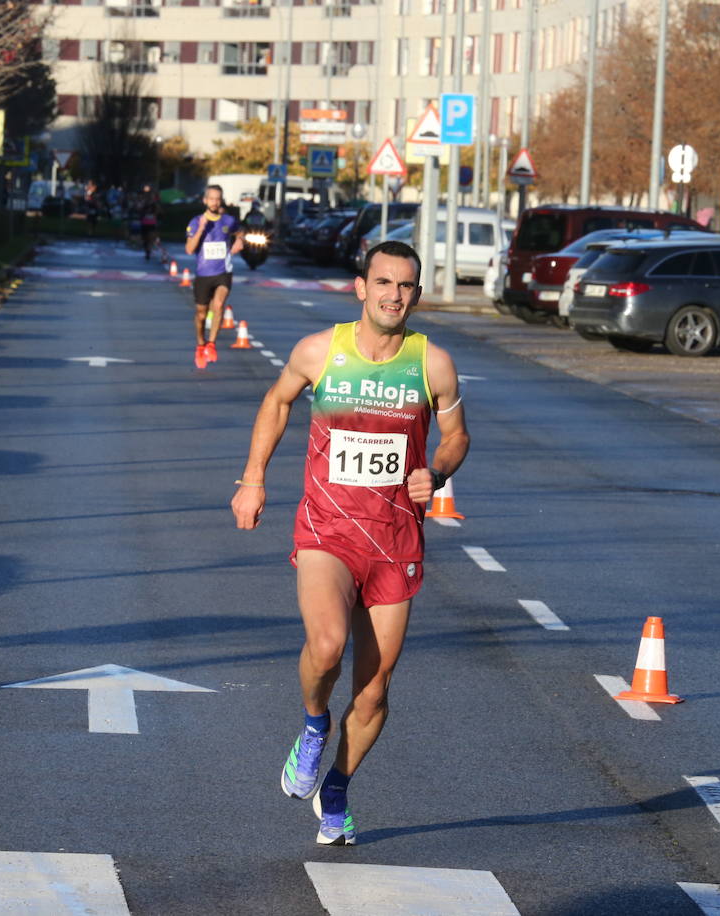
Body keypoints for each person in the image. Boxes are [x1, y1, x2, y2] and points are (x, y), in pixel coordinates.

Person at [231, 240, 470, 847]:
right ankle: (313, 727)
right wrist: (253, 480)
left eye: (407, 286)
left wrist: (436, 473)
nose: (395, 295)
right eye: (384, 283)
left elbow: (456, 437)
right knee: (328, 643)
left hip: (395, 538)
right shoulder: (320, 351)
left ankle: (337, 786)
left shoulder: (432, 364)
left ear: (417, 294)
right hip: (327, 530)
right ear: (360, 287)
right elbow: (277, 401)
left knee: (373, 693)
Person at [184, 185, 245, 369]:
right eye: (211, 198)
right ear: (205, 200)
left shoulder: (228, 220)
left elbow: (240, 231)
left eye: (218, 199)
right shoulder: (196, 221)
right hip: (203, 274)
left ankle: (211, 344)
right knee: (201, 314)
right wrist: (201, 229)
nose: (215, 202)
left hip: (223, 272)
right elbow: (189, 249)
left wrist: (240, 240)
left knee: (218, 305)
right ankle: (200, 344)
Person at [138, 185, 159, 260]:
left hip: (151, 223)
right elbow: (140, 210)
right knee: (145, 239)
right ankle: (147, 250)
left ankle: (149, 249)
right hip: (145, 223)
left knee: (149, 238)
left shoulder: (154, 204)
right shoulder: (144, 203)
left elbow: (157, 212)